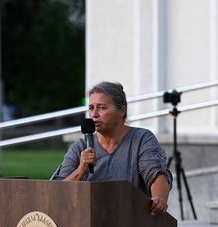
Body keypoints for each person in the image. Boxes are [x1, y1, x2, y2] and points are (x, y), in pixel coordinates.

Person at [53, 81, 173, 216]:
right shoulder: (80, 146)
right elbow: (57, 191)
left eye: (102, 108)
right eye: (91, 108)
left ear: (122, 111)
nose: (94, 114)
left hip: (130, 221)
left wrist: (159, 199)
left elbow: (156, 174)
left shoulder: (141, 139)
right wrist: (81, 170)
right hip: (88, 222)